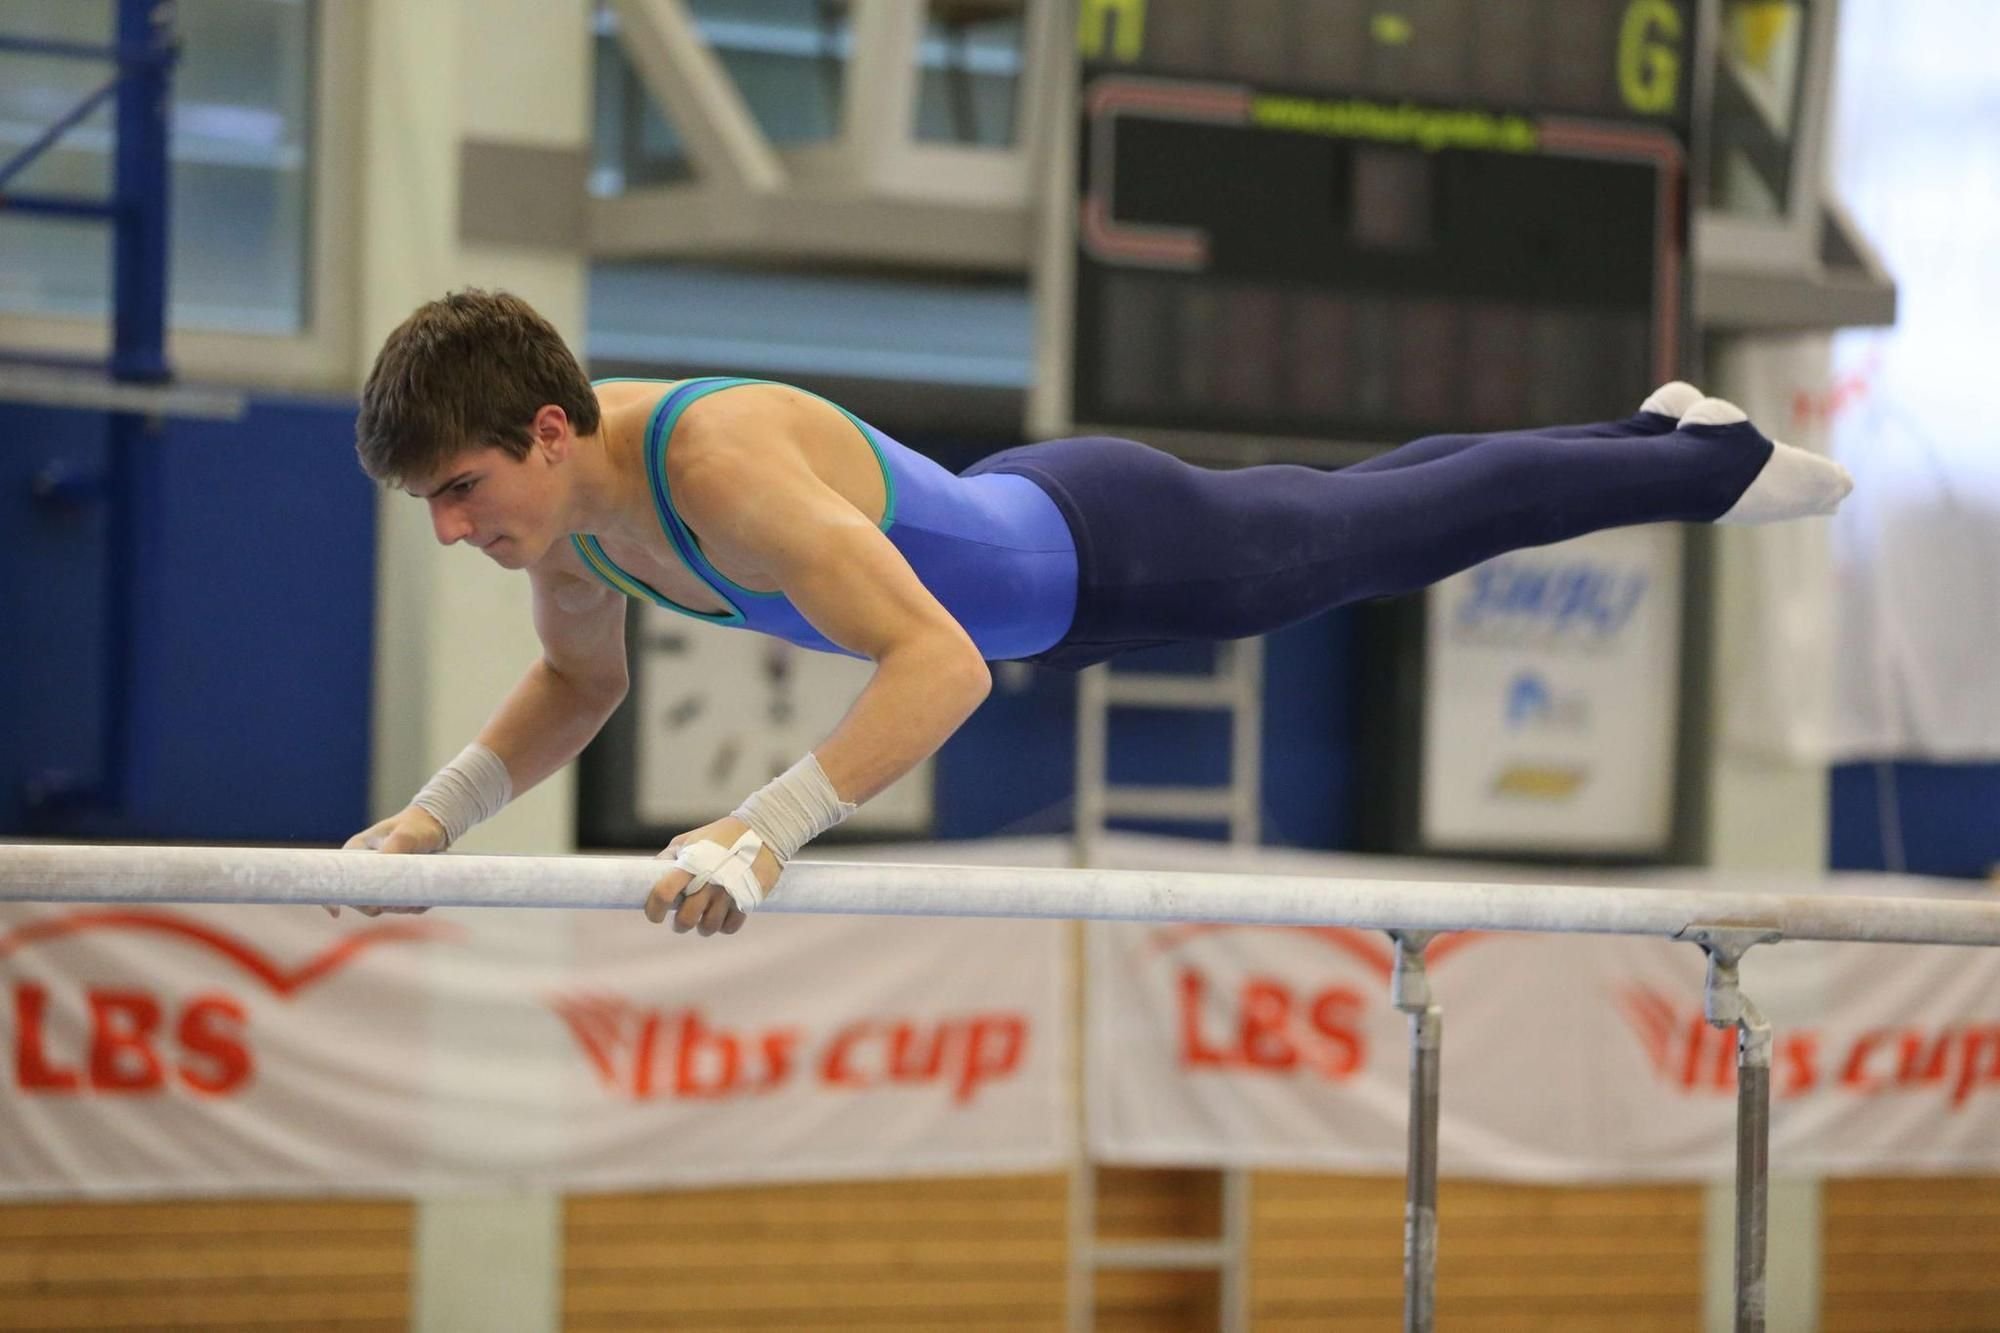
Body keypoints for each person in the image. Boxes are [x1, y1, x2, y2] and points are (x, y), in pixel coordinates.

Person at [341, 289, 1852, 935]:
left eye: (465, 488)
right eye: (433, 508)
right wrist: (432, 817)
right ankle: (1657, 431)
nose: (455, 527)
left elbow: (940, 668)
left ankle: (1704, 460)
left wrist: (763, 829)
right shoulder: (570, 528)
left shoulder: (711, 466)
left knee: (1403, 524)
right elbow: (575, 690)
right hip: (1033, 525)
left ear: (548, 426)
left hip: (1113, 552)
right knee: (1370, 502)